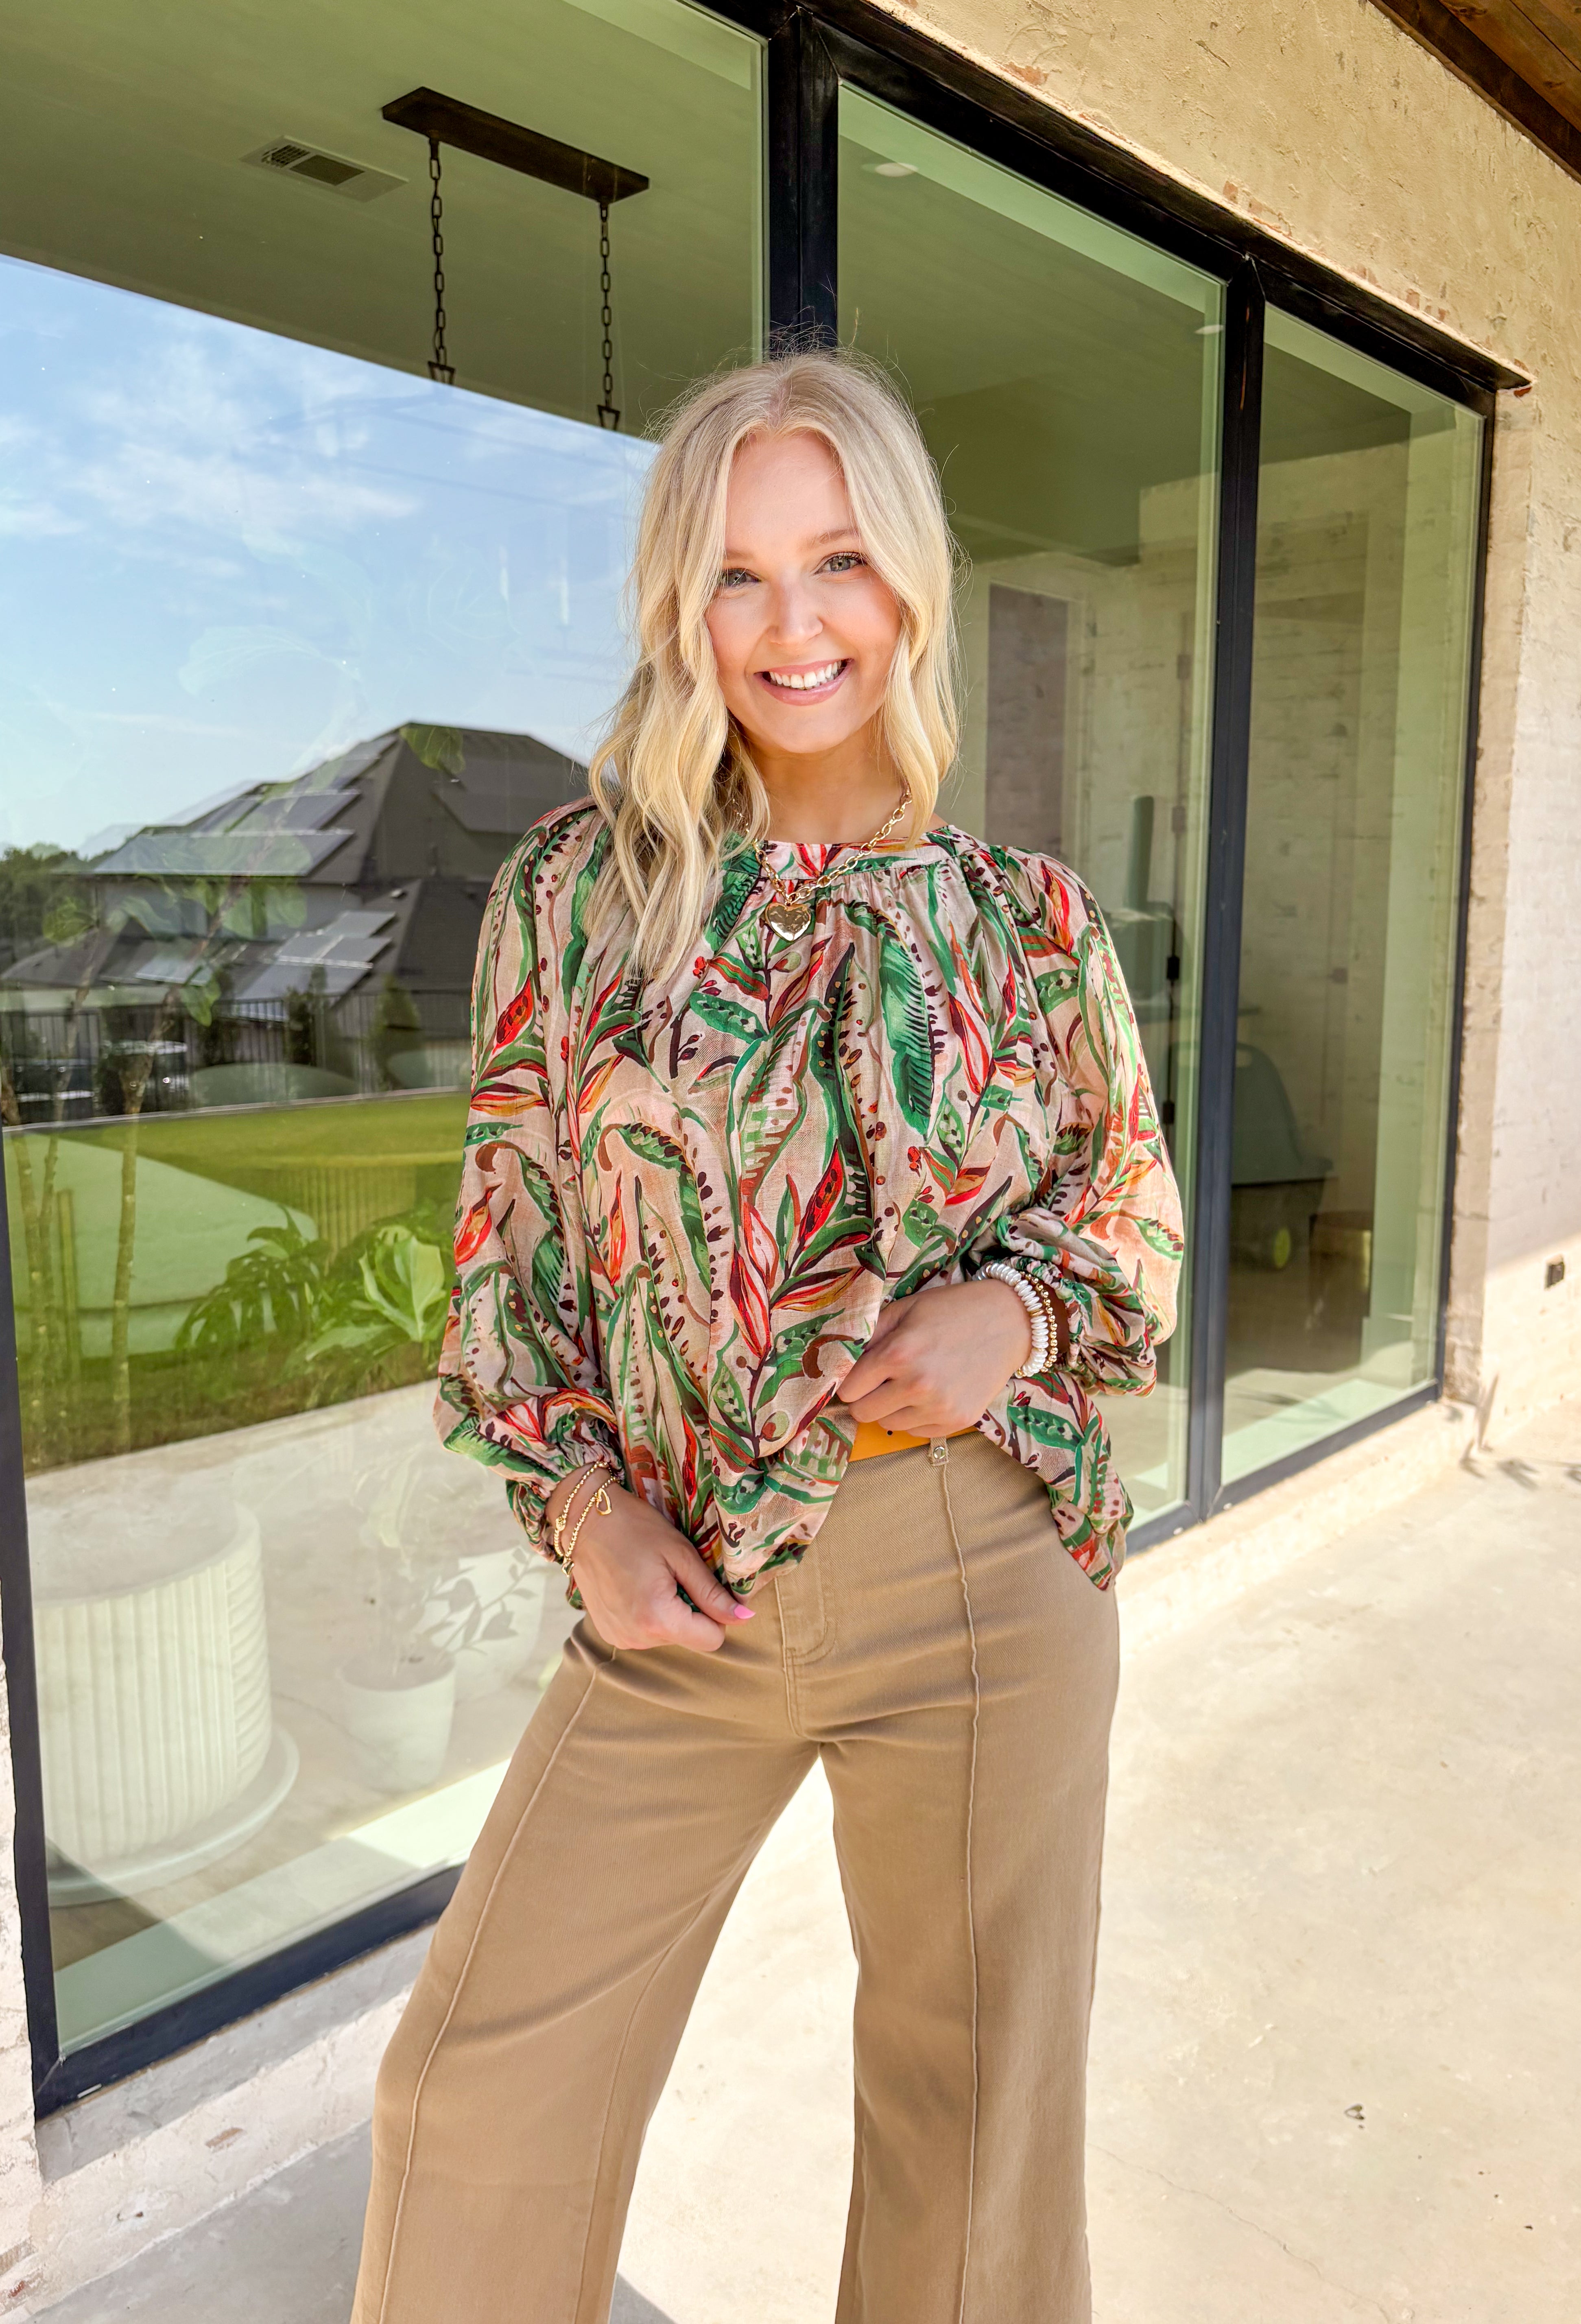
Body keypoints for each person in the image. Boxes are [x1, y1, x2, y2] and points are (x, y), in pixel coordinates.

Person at [351, 348, 1181, 2324]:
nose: (793, 625)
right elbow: (512, 1252)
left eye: (836, 563)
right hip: (684, 1589)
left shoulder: (1031, 923)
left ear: (908, 587)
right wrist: (577, 1512)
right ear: (680, 606)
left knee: (972, 2160)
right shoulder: (579, 896)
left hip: (982, 1569)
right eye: (737, 575)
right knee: (471, 2099)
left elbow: (1132, 1219)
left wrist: (1014, 1306)